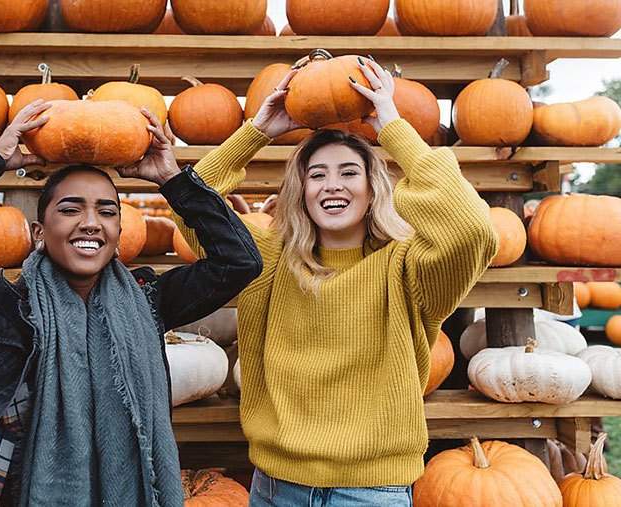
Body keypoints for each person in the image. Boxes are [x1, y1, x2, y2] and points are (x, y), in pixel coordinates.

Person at [0, 100, 262, 506]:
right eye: (70, 209)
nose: (90, 222)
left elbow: (239, 262)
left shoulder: (148, 300)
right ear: (39, 233)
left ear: (118, 231)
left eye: (107, 211)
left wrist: (172, 179)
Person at [173, 57, 499, 506]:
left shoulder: (409, 268)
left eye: (349, 172)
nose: (333, 185)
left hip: (370, 491)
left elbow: (472, 229)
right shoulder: (265, 257)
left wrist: (392, 127)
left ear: (373, 189)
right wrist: (258, 131)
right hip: (276, 485)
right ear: (301, 192)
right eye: (317, 174)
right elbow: (191, 210)